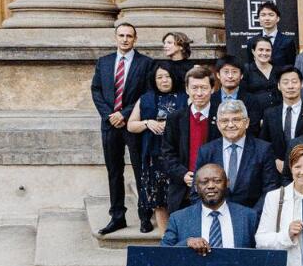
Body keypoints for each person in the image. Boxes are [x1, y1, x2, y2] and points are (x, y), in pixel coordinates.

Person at [91, 22, 153, 235]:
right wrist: (109, 116)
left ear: (135, 39)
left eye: (129, 36)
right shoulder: (104, 62)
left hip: (133, 124)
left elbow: (146, 94)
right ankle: (117, 217)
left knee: (140, 170)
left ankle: (145, 216)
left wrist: (124, 114)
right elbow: (96, 90)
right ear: (115, 37)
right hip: (110, 125)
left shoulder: (146, 63)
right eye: (121, 35)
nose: (125, 39)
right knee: (114, 171)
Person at [127, 60, 186, 231]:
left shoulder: (185, 97)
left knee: (180, 199)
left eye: (167, 76)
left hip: (178, 157)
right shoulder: (145, 99)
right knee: (159, 202)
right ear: (154, 79)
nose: (164, 80)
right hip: (154, 158)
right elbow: (131, 125)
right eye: (159, 77)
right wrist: (147, 123)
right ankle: (165, 240)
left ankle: (180, 238)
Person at [193, 100, 279, 209]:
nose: (230, 125)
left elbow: (270, 190)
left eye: (236, 120)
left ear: (247, 122)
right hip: (215, 220)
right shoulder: (206, 151)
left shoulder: (263, 150)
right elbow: (196, 191)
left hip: (253, 219)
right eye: (224, 121)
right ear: (218, 124)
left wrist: (250, 218)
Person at [159, 65, 220, 215]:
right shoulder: (175, 118)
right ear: (187, 89)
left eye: (204, 88)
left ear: (212, 89)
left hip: (215, 190)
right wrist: (183, 174)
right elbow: (167, 153)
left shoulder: (222, 116)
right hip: (183, 189)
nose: (199, 93)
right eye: (194, 88)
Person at [160, 164, 259, 251]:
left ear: (227, 183)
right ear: (196, 187)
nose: (211, 186)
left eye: (217, 181)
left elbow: (260, 255)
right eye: (204, 182)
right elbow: (163, 254)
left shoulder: (248, 216)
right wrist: (186, 243)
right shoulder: (178, 218)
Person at [259, 66, 303, 172]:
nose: (290, 86)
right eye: (285, 82)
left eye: (294, 82)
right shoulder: (270, 113)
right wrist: (275, 160)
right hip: (276, 169)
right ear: (279, 86)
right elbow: (263, 144)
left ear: (302, 84)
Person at [246, 2, 295, 68]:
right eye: (263, 15)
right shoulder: (251, 41)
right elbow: (250, 66)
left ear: (278, 18)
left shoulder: (287, 42)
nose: (267, 18)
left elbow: (291, 65)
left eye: (271, 15)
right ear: (258, 19)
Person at [242, 36, 281, 113]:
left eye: (268, 50)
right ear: (253, 51)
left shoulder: (278, 70)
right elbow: (243, 95)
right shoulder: (246, 70)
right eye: (261, 50)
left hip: (276, 115)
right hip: (254, 115)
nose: (264, 53)